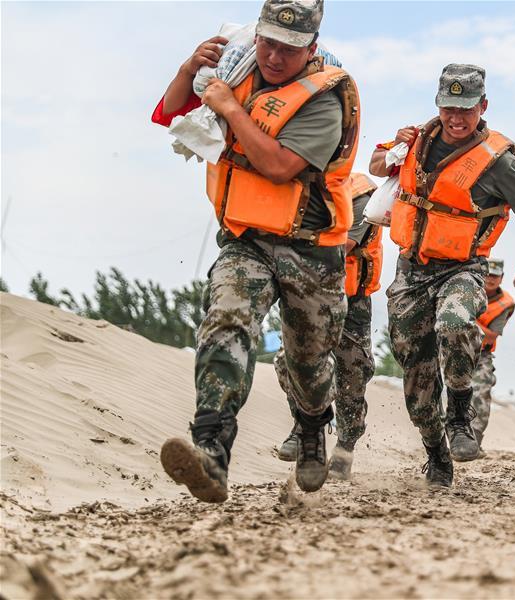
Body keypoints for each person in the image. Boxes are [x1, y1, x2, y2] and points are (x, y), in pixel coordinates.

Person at [158, 0, 361, 501]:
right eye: (268, 42)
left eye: (289, 49)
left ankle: (313, 429)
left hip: (309, 250)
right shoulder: (238, 65)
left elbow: (277, 166)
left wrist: (229, 108)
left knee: (308, 365)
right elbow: (168, 113)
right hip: (245, 239)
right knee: (226, 319)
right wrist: (190, 69)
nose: (273, 57)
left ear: (311, 49)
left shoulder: (324, 97)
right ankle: (212, 449)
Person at [368, 64, 515, 487]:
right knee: (417, 376)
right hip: (411, 270)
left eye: (465, 109)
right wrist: (393, 150)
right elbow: (375, 166)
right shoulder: (417, 140)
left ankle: (460, 413)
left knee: (456, 322)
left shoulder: (497, 163)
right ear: (438, 105)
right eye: (448, 108)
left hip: (461, 267)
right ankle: (435, 453)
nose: (456, 119)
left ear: (483, 106)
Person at [275, 172, 382, 480]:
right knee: (289, 362)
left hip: (350, 297)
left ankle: (346, 445)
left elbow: (342, 246)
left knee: (352, 375)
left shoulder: (361, 194)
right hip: (306, 292)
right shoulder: (291, 184)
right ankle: (305, 424)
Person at [470, 258, 515, 456]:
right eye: (488, 274)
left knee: (481, 392)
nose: (490, 279)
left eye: (495, 276)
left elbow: (491, 335)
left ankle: (475, 440)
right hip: (455, 349)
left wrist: (467, 319)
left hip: (482, 354)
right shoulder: (468, 290)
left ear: (501, 278)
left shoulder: (505, 304)